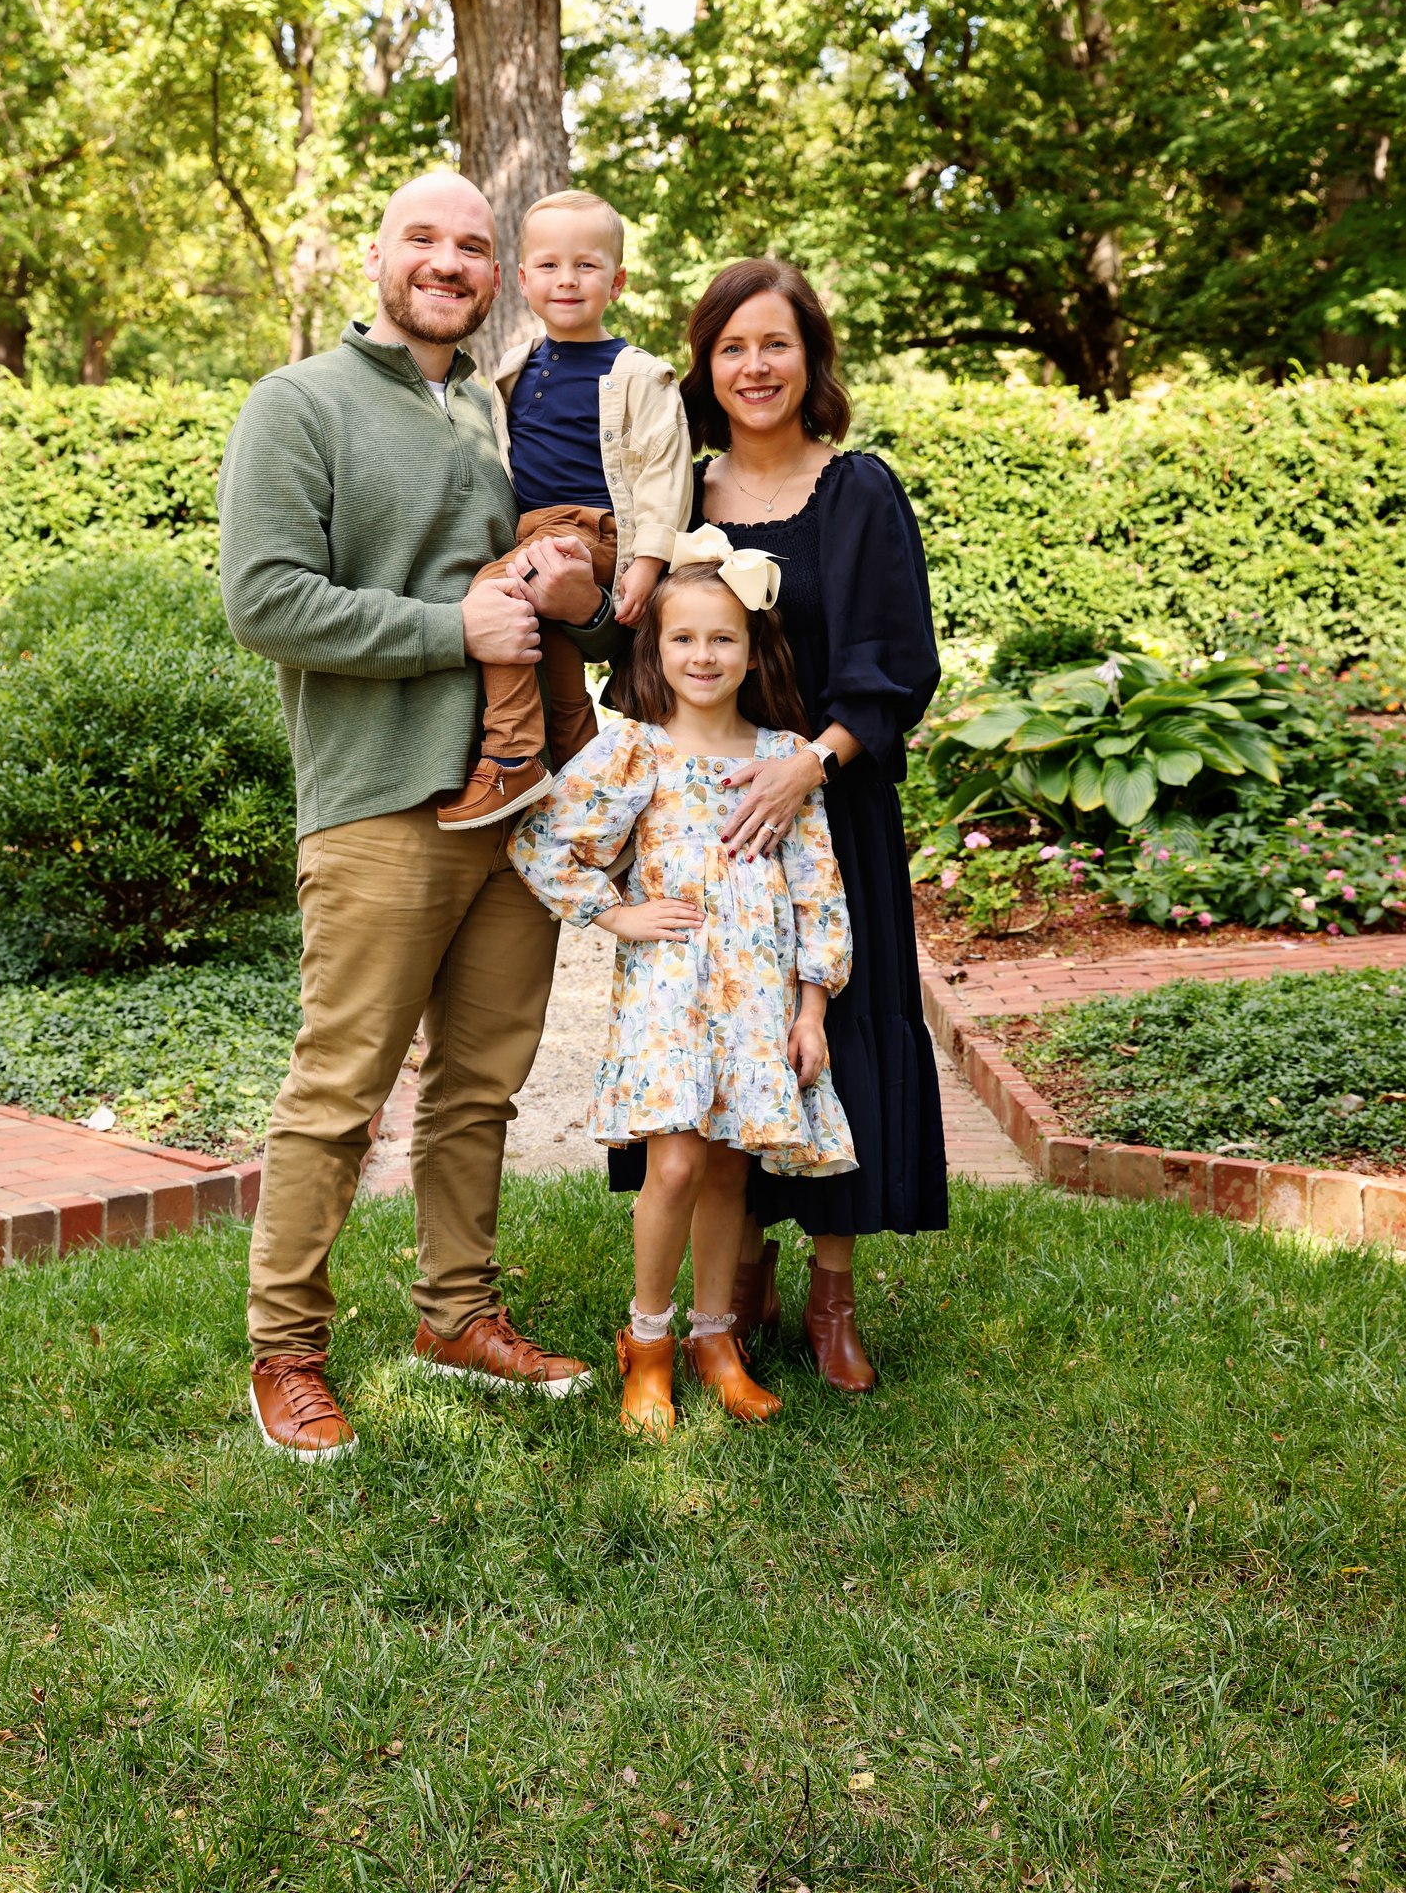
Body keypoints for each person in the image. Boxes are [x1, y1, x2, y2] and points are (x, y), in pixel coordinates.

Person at [219, 171, 620, 1463]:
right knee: (339, 1091)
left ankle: (457, 1315)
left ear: (494, 273)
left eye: (472, 247)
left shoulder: (492, 420)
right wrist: (446, 629)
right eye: (423, 240)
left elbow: (552, 595)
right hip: (381, 799)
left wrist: (564, 594)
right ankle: (285, 1355)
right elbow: (265, 599)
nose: (448, 262)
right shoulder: (299, 406)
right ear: (375, 256)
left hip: (514, 809)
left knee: (478, 1088)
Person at [607, 258, 947, 1395]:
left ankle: (832, 1296)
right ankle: (727, 1286)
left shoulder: (859, 492)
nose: (755, 367)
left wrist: (808, 762)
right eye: (732, 347)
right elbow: (640, 662)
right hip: (704, 834)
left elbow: (898, 667)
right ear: (705, 365)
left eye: (776, 344)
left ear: (812, 361)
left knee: (828, 1044)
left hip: (828, 807)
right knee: (715, 1056)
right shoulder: (681, 500)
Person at [510, 546, 855, 1438]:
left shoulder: (783, 760)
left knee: (730, 1168)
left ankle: (715, 1340)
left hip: (758, 999)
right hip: (670, 992)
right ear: (654, 652)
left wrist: (811, 1008)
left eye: (723, 639)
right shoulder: (636, 750)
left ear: (753, 651)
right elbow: (543, 842)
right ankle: (648, 1340)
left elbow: (819, 890)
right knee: (672, 1164)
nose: (703, 657)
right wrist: (615, 914)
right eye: (683, 640)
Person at [434, 189, 691, 830]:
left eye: (587, 265)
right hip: (535, 530)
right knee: (555, 662)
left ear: (618, 280)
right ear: (521, 280)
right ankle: (592, 800)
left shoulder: (638, 374)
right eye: (548, 265)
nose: (567, 279)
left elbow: (665, 469)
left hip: (591, 531)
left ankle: (513, 754)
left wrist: (648, 563)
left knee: (494, 593)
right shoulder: (516, 368)